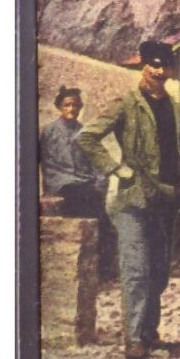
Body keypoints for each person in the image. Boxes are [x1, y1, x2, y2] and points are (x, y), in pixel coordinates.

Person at [76, 40, 180, 359]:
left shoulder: (174, 106)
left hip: (164, 199)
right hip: (132, 201)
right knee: (136, 270)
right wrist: (115, 167)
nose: (158, 71)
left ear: (169, 70)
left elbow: (178, 152)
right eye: (152, 65)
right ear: (143, 67)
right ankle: (134, 338)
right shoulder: (126, 103)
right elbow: (86, 137)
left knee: (159, 271)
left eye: (164, 66)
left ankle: (150, 333)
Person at [40, 87, 116, 277]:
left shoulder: (85, 132)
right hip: (62, 183)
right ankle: (79, 270)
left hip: (85, 183)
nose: (72, 108)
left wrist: (100, 182)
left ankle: (103, 270)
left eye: (75, 105)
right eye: (67, 105)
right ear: (59, 107)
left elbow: (97, 162)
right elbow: (44, 163)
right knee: (83, 205)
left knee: (104, 218)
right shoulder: (48, 132)